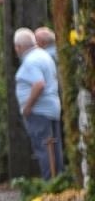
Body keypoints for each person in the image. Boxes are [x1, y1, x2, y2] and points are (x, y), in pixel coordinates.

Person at [13, 27, 62, 178]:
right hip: (51, 109)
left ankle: (50, 186)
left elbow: (39, 84)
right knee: (54, 150)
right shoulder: (43, 55)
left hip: (40, 112)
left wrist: (28, 107)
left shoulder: (31, 61)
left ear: (19, 47)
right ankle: (58, 182)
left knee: (45, 150)